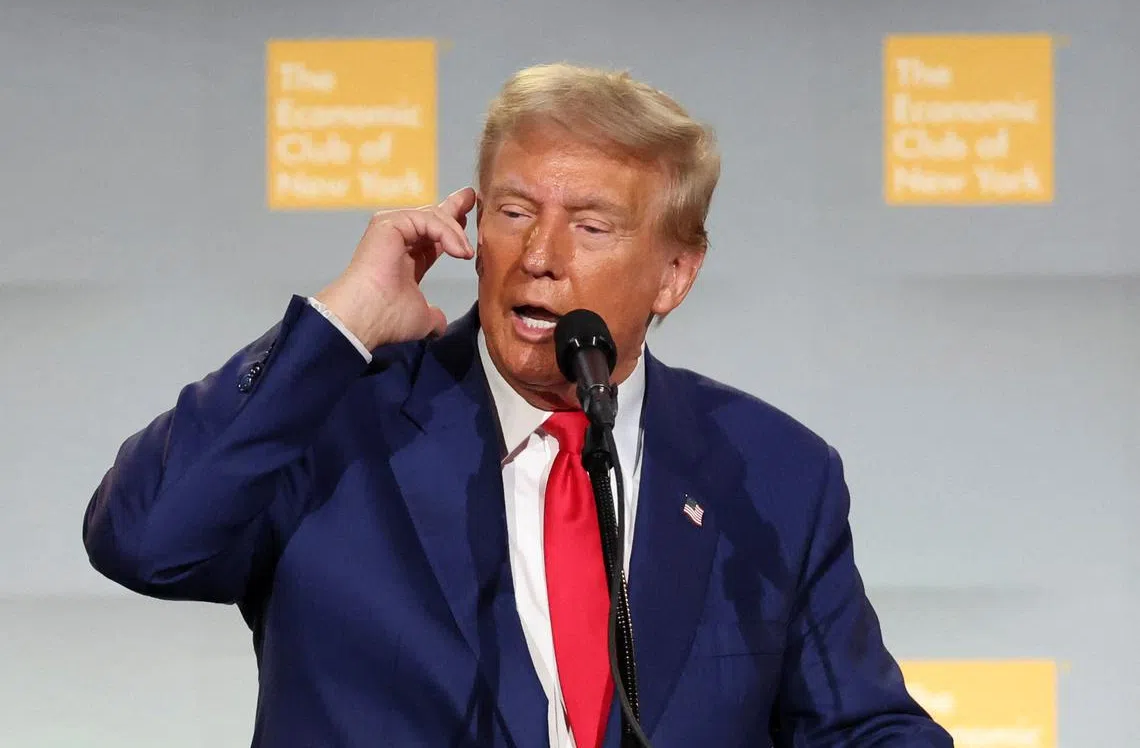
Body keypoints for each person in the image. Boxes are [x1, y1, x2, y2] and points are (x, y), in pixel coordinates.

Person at [82, 63, 953, 747]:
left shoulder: (772, 472)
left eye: (592, 224)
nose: (541, 255)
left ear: (675, 274)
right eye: (513, 211)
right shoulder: (337, 423)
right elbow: (146, 542)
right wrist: (340, 324)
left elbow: (858, 726)